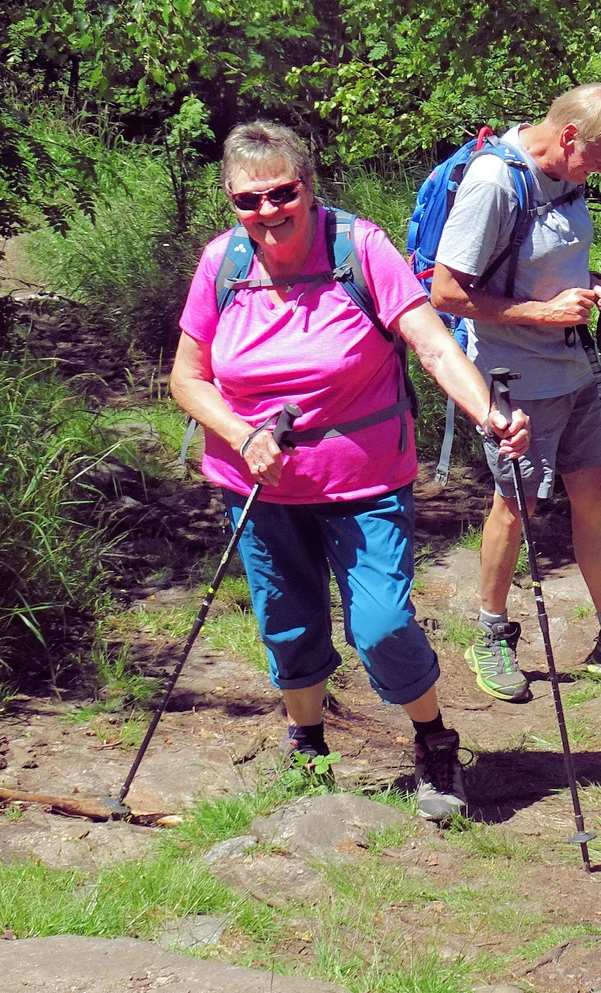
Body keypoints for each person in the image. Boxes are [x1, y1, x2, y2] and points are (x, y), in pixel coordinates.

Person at [170, 121, 530, 822]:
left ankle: (432, 741)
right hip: (258, 483)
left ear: (308, 187)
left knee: (383, 622)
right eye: (249, 200)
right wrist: (243, 434)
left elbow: (431, 343)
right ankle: (307, 743)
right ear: (231, 204)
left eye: (282, 193)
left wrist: (491, 413)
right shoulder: (222, 264)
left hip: (364, 480)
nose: (268, 211)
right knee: (286, 621)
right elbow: (188, 380)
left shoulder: (358, 247)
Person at [429, 83, 601, 702]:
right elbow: (444, 293)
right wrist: (541, 314)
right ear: (569, 136)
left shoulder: (567, 178)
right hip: (514, 376)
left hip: (573, 368)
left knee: (594, 490)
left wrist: (592, 287)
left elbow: (553, 265)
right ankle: (490, 633)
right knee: (516, 504)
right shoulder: (496, 183)